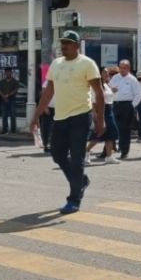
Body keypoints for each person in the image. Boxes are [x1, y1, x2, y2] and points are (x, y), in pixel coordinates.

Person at [30, 30, 105, 214]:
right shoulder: (56, 64)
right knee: (57, 154)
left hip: (81, 116)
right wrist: (36, 117)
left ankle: (74, 199)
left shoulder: (87, 64)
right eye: (62, 43)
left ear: (77, 46)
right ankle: (80, 180)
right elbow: (48, 92)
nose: (64, 46)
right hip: (60, 117)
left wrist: (100, 120)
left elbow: (99, 93)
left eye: (68, 43)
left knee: (77, 157)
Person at [109, 60, 140, 159]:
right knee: (113, 127)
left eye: (124, 68)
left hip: (127, 105)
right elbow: (108, 88)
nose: (122, 70)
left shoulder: (132, 79)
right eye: (121, 67)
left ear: (128, 68)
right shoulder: (115, 77)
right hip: (115, 104)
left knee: (124, 129)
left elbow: (138, 94)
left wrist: (132, 106)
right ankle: (109, 150)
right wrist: (111, 90)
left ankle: (124, 151)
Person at [88, 68, 119, 163]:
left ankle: (109, 156)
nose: (107, 74)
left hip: (109, 110)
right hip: (101, 110)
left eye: (107, 72)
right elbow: (93, 102)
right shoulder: (96, 86)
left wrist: (113, 92)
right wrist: (95, 114)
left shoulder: (106, 85)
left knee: (110, 133)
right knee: (99, 133)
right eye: (104, 72)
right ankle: (86, 151)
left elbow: (111, 98)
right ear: (99, 74)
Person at [0, 68, 20, 134]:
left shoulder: (15, 81)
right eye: (6, 72)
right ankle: (5, 129)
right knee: (4, 116)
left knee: (13, 115)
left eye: (9, 72)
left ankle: (13, 130)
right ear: (5, 73)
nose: (7, 73)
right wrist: (3, 96)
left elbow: (15, 90)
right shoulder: (2, 81)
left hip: (12, 100)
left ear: (11, 73)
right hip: (3, 100)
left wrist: (8, 95)